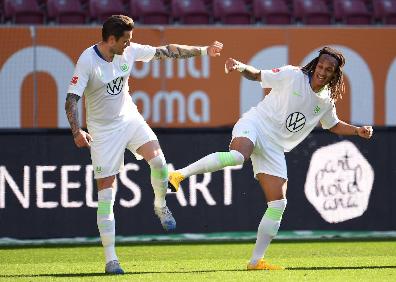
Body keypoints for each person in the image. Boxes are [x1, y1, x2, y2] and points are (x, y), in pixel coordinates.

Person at [168, 47, 373, 270]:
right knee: (238, 157)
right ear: (315, 65)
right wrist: (240, 67)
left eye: (329, 70)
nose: (323, 72)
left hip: (275, 147)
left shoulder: (326, 101)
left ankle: (256, 261)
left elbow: (332, 125)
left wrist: (357, 131)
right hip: (256, 124)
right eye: (321, 66)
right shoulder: (293, 75)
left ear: (335, 75)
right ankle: (179, 175)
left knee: (278, 203)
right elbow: (257, 75)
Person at [65, 15, 223, 275]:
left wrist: (205, 50)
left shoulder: (129, 50)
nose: (129, 45)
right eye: (125, 40)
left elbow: (167, 52)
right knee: (106, 194)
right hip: (103, 132)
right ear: (111, 39)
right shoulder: (87, 61)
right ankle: (111, 259)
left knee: (159, 160)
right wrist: (76, 130)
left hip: (129, 119)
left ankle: (160, 204)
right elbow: (71, 99)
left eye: (130, 39)